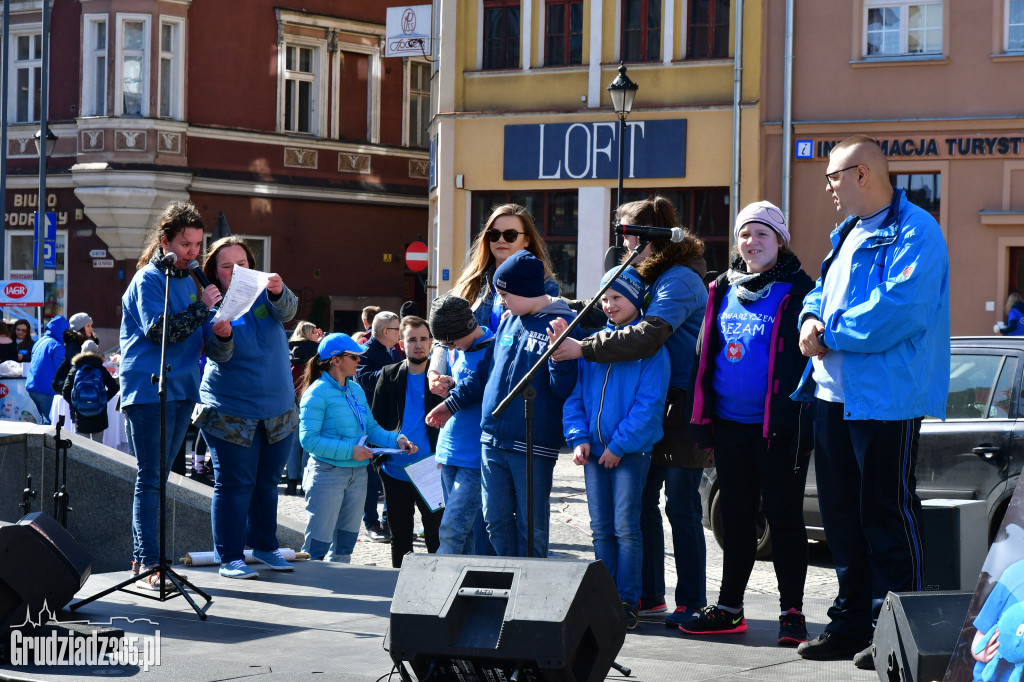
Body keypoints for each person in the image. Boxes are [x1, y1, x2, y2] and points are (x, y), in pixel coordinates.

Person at [792, 135, 951, 668]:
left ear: (862, 174)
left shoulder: (917, 231)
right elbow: (819, 291)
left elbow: (900, 308)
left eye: (834, 176)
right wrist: (809, 318)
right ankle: (851, 622)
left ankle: (895, 628)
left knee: (886, 513)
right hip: (832, 396)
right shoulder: (846, 233)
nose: (829, 187)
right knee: (841, 516)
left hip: (887, 399)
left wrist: (828, 332)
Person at [549, 196, 709, 629]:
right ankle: (648, 595)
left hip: (680, 401)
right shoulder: (647, 274)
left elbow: (647, 334)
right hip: (658, 400)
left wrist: (584, 347)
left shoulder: (679, 279)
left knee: (681, 505)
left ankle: (691, 600)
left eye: (628, 233)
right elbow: (616, 323)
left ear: (651, 234)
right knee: (640, 507)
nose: (623, 242)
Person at [684, 201, 814, 645]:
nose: (752, 242)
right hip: (730, 426)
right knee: (736, 519)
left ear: (780, 239)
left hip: (780, 430)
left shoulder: (800, 289)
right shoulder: (720, 286)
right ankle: (729, 609)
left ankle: (792, 613)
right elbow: (704, 354)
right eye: (744, 234)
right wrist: (701, 418)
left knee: (783, 519)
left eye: (762, 234)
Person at [427, 250, 581, 558]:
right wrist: (452, 404)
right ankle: (509, 577)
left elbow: (563, 388)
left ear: (525, 289)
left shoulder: (561, 323)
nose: (501, 301)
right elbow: (486, 373)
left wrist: (560, 357)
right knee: (494, 520)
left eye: (505, 293)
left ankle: (530, 586)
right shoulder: (511, 322)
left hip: (532, 444)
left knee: (530, 524)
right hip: (492, 441)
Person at [120, 201, 222, 589]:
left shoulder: (189, 280)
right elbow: (159, 331)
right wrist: (201, 309)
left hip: (181, 388)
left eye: (198, 244)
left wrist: (219, 322)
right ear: (165, 242)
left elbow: (196, 333)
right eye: (185, 244)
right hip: (148, 388)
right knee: (150, 478)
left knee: (161, 477)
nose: (193, 253)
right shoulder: (149, 278)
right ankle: (149, 563)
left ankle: (142, 558)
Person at [563, 266, 670, 630]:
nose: (609, 305)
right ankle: (601, 596)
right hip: (594, 453)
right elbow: (575, 397)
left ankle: (627, 599)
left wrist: (619, 445)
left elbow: (649, 405)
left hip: (629, 454)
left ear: (635, 298)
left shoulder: (650, 350)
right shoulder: (592, 345)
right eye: (604, 298)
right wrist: (578, 438)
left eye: (617, 297)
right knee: (600, 528)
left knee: (626, 527)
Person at [193, 236, 298, 580]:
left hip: (278, 409)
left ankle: (266, 546)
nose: (237, 270)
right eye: (227, 266)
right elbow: (219, 356)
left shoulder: (266, 292)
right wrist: (220, 337)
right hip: (230, 412)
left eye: (243, 263)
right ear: (216, 274)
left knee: (268, 483)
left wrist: (281, 290)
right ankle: (230, 557)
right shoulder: (210, 306)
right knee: (235, 485)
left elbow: (289, 310)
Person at [299, 333, 417, 563]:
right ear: (335, 360)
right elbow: (309, 440)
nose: (359, 361)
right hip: (328, 473)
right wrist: (350, 450)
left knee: (346, 544)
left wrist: (397, 440)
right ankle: (311, 592)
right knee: (317, 546)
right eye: (354, 356)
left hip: (358, 473)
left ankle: (341, 594)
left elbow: (370, 428)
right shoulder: (316, 392)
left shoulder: (355, 389)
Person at [370, 315, 444, 568]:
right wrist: (380, 462)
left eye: (424, 339)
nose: (418, 344)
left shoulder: (441, 379)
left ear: (432, 343)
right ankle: (398, 591)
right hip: (395, 471)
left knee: (437, 538)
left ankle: (439, 591)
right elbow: (375, 422)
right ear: (401, 344)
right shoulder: (389, 374)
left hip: (432, 471)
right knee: (400, 539)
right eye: (412, 339)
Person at [428, 294, 494, 556]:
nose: (450, 348)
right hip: (448, 451)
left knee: (452, 529)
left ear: (466, 327)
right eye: (446, 344)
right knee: (462, 534)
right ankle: (462, 593)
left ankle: (440, 589)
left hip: (475, 455)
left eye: (452, 342)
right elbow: (442, 353)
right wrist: (440, 379)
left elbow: (478, 386)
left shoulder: (493, 348)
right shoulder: (455, 346)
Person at [355, 310, 402, 543]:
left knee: (392, 473)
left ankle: (389, 521)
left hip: (393, 422)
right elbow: (366, 380)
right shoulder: (365, 352)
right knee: (372, 477)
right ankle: (371, 522)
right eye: (397, 328)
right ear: (386, 332)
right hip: (372, 423)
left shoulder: (395, 351)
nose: (401, 332)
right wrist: (399, 371)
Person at [286, 321, 325, 495]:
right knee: (308, 444)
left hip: (291, 402)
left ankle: (291, 482)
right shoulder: (317, 353)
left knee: (293, 445)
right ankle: (305, 483)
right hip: (312, 402)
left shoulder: (288, 350)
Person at [61, 339, 119, 439]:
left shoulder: (75, 369)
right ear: (95, 352)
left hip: (81, 416)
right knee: (98, 448)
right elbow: (114, 387)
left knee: (83, 448)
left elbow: (65, 391)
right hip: (99, 416)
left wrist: (77, 404)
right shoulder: (100, 368)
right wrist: (101, 400)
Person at [25, 315, 69, 424]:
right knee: (49, 422)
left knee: (44, 419)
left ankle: (38, 440)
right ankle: (44, 441)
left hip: (32, 387)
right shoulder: (57, 346)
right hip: (46, 389)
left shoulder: (39, 341)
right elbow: (61, 370)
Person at [51, 312, 99, 394]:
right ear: (80, 328)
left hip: (77, 384)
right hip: (67, 384)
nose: (91, 329)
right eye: (88, 326)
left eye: (91, 326)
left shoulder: (86, 342)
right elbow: (74, 366)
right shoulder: (74, 344)